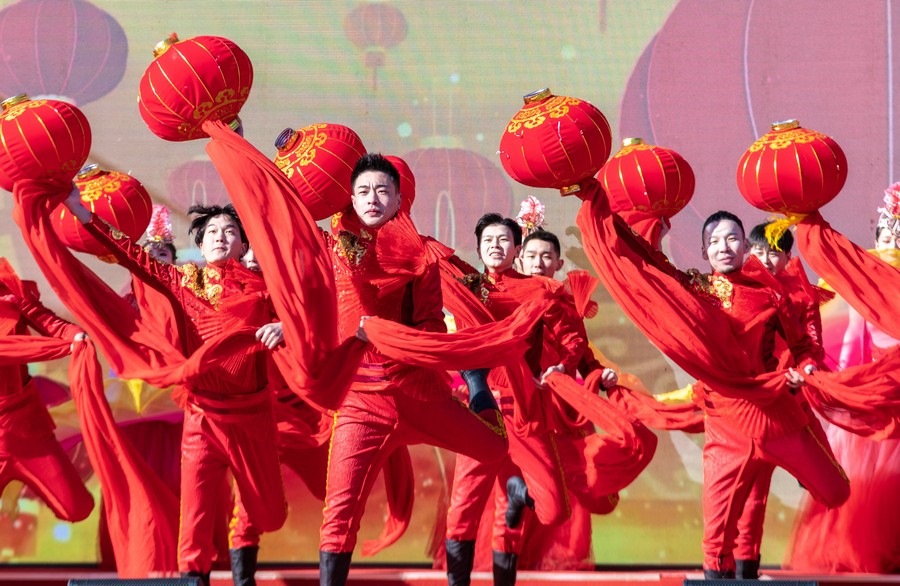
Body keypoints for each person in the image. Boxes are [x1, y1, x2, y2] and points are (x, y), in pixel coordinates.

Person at [571, 179, 850, 579]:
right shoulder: (694, 290)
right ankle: (730, 576)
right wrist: (599, 205)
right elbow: (646, 264)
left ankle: (748, 566)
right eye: (714, 241)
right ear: (704, 252)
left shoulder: (771, 294)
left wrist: (804, 370)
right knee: (716, 541)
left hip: (776, 415)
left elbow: (804, 344)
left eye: (732, 238)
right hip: (727, 423)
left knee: (837, 492)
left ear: (745, 246)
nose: (724, 246)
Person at [61, 193, 287, 586]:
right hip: (202, 418)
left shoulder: (266, 289)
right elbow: (131, 254)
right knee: (194, 519)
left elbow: (311, 314)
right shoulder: (183, 281)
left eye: (230, 231)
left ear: (243, 246)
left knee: (271, 516)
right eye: (212, 232)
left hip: (252, 419)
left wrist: (285, 327)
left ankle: (246, 543)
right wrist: (82, 212)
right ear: (199, 244)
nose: (220, 236)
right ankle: (192, 580)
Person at [317, 154, 508, 586]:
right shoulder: (331, 247)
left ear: (399, 198)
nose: (373, 199)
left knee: (495, 448)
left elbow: (431, 324)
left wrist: (406, 342)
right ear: (350, 199)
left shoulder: (421, 255)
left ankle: (477, 382)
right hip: (362, 403)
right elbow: (309, 298)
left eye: (382, 190)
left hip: (419, 393)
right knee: (339, 514)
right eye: (363, 191)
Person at [785, 216, 900, 573]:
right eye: (887, 233)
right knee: (872, 480)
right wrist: (842, 388)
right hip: (878, 390)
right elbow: (852, 338)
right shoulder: (865, 281)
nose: (893, 241)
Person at [0, 260, 93, 526]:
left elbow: (53, 325)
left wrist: (76, 336)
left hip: (26, 428)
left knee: (77, 508)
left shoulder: (10, 292)